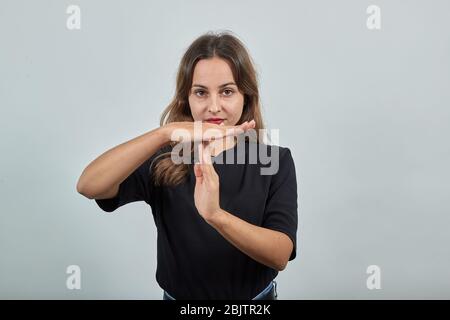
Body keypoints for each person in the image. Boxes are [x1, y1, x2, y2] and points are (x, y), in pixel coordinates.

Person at [76, 31, 298, 300]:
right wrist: (164, 134)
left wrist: (216, 215)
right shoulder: (166, 159)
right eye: (201, 92)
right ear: (187, 98)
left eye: (227, 91)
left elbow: (280, 255)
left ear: (246, 97)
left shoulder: (274, 160)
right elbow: (88, 185)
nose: (213, 106)